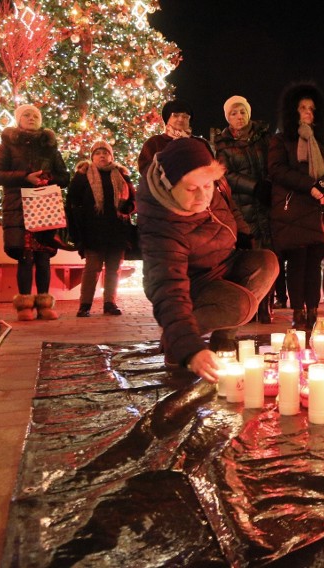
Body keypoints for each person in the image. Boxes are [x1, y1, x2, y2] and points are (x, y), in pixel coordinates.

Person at [137, 137, 278, 381]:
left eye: (208, 186)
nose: (203, 196)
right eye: (191, 189)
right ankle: (174, 341)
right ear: (169, 185)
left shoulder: (209, 182)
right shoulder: (161, 226)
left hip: (224, 261)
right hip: (194, 282)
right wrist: (189, 348)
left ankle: (224, 338)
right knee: (240, 305)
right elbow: (168, 289)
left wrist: (243, 234)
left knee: (267, 262)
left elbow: (229, 207)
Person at [267, 82, 324, 329]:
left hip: (319, 210)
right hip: (293, 209)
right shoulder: (281, 140)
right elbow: (278, 169)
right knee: (297, 263)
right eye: (302, 108)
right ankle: (297, 313)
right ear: (293, 110)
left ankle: (313, 311)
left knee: (314, 263)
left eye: (311, 108)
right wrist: (310, 185)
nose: (308, 112)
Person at [0, 104, 70, 321]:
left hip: (44, 206)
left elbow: (64, 176)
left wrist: (49, 179)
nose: (31, 118)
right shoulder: (7, 145)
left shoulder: (49, 147)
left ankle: (45, 303)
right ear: (18, 119)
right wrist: (25, 177)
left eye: (35, 115)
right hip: (19, 207)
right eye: (26, 115)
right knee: (25, 256)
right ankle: (25, 305)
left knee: (44, 256)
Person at [213, 95, 275, 323]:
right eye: (233, 113)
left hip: (267, 203)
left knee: (269, 254)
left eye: (242, 112)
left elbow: (274, 162)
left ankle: (266, 306)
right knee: (249, 255)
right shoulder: (223, 144)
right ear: (227, 118)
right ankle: (249, 304)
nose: (238, 117)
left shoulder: (264, 138)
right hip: (242, 204)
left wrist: (268, 185)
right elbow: (224, 173)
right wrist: (254, 186)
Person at [67, 140, 136, 317]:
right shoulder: (83, 175)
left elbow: (132, 200)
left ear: (111, 156)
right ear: (92, 157)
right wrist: (76, 229)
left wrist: (127, 208)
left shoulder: (121, 175)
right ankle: (85, 305)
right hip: (92, 229)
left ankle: (110, 303)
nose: (102, 155)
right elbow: (72, 202)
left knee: (114, 268)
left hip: (117, 229)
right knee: (92, 267)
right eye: (98, 153)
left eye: (105, 152)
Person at [138, 99, 195, 177]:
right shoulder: (154, 143)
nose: (181, 119)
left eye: (185, 116)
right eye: (175, 115)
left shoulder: (199, 143)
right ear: (167, 118)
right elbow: (145, 170)